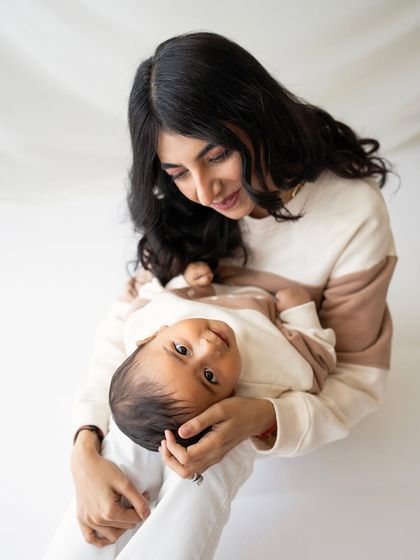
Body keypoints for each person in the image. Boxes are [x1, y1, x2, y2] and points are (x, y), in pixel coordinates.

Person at [44, 31, 397, 560]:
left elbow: (359, 380)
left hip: (262, 385)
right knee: (135, 439)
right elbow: (128, 335)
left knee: (202, 459)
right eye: (179, 171)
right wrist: (85, 446)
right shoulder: (182, 208)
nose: (206, 192)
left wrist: (261, 417)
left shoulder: (351, 213)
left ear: (258, 119)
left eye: (217, 156)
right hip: (178, 378)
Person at [108, 261, 336, 453]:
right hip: (265, 306)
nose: (209, 347)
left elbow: (154, 292)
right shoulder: (267, 375)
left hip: (219, 284)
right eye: (209, 375)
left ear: (153, 335)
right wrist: (299, 312)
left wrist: (187, 281)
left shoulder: (143, 321)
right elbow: (318, 362)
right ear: (230, 398)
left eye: (182, 350)